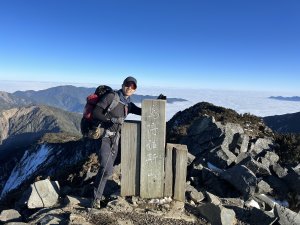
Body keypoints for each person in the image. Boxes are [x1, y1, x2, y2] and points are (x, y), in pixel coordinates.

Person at [91, 76, 141, 208]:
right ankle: (96, 199)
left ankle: (99, 194)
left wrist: (158, 103)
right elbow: (96, 112)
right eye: (128, 84)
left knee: (109, 170)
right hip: (104, 136)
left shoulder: (128, 104)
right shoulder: (111, 97)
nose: (130, 88)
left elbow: (141, 111)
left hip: (116, 138)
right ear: (123, 84)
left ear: (135, 90)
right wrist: (112, 120)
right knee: (106, 168)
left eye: (133, 86)